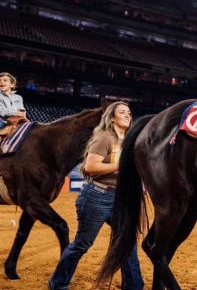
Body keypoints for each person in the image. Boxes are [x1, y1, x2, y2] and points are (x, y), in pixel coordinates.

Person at [48, 101, 143, 290]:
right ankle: (57, 284)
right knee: (82, 244)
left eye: (129, 113)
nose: (127, 115)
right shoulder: (105, 137)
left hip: (120, 199)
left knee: (127, 243)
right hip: (97, 197)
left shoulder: (131, 140)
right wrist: (120, 166)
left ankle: (133, 286)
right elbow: (90, 167)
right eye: (122, 112)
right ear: (112, 117)